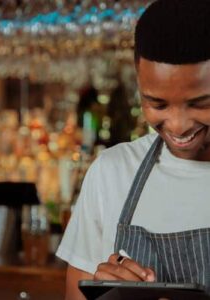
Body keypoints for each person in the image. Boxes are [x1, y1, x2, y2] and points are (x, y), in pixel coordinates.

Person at [56, 0, 210, 299]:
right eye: (157, 103)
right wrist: (110, 293)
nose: (178, 126)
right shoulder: (112, 172)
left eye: (201, 103)